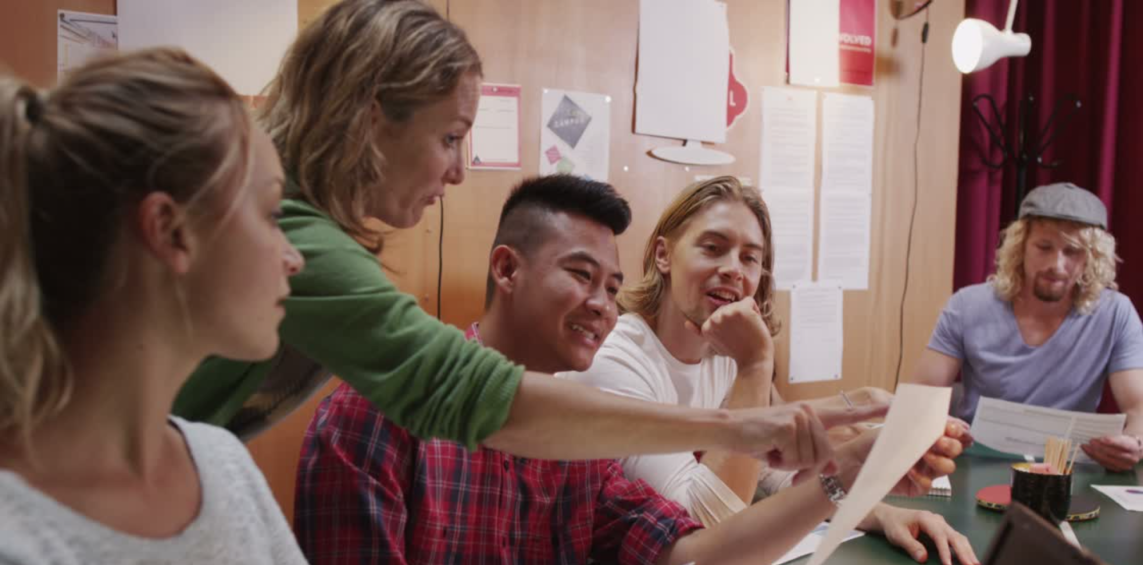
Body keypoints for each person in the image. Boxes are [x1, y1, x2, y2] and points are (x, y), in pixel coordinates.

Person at [171, 0, 879, 463]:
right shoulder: (292, 235)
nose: (455, 172)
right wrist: (744, 429)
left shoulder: (295, 223)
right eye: (448, 137)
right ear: (369, 115)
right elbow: (469, 392)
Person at [293, 175, 967, 565]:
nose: (601, 306)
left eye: (611, 287)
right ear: (506, 269)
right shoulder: (369, 417)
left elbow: (697, 560)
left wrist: (846, 473)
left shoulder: (578, 439)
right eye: (580, 276)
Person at [0, 50, 356, 565]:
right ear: (171, 231)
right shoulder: (20, 551)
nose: (293, 256)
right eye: (271, 214)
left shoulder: (220, 462)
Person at [560, 176, 978, 565]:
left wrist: (879, 513)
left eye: (749, 257)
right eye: (712, 247)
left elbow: (772, 476)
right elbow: (705, 527)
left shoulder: (723, 355)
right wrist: (755, 367)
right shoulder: (616, 360)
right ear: (664, 255)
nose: (733, 270)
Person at [914, 182, 1143, 472]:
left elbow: (1138, 407)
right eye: (1044, 247)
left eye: (1072, 252)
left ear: (1092, 258)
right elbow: (923, 392)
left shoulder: (1116, 312)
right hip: (977, 464)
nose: (1056, 265)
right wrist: (938, 421)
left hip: (1068, 468)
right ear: (1020, 247)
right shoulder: (967, 305)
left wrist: (1136, 441)